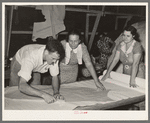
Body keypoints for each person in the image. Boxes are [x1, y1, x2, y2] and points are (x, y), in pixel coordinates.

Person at [9, 38, 65, 103]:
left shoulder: (53, 56)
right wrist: (44, 95)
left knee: (36, 88)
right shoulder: (30, 57)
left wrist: (56, 93)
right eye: (53, 59)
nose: (55, 62)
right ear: (46, 52)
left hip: (35, 65)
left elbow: (54, 76)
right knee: (14, 90)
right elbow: (21, 86)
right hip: (20, 61)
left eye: (56, 59)